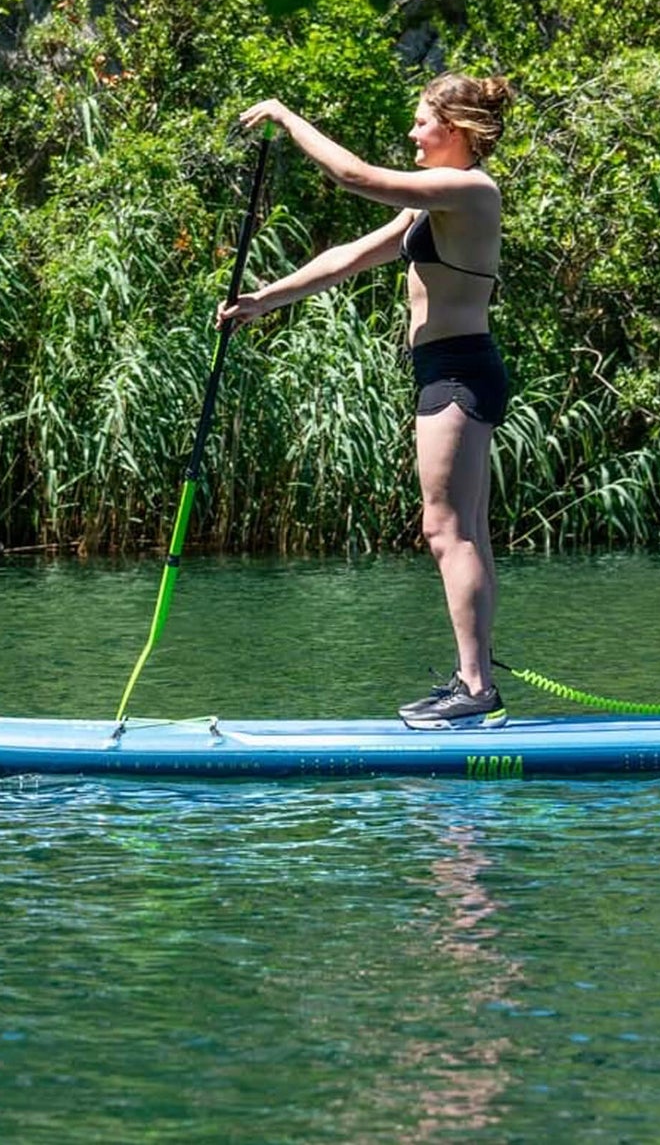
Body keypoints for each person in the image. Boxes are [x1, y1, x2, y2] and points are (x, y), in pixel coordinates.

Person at [219, 73, 514, 728]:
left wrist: (284, 114)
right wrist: (262, 301)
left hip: (459, 372)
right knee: (464, 529)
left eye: (421, 121)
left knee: (446, 529)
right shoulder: (433, 205)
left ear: (456, 130)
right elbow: (349, 255)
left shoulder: (468, 190)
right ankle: (477, 679)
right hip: (448, 368)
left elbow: (352, 175)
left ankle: (474, 686)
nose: (412, 132)